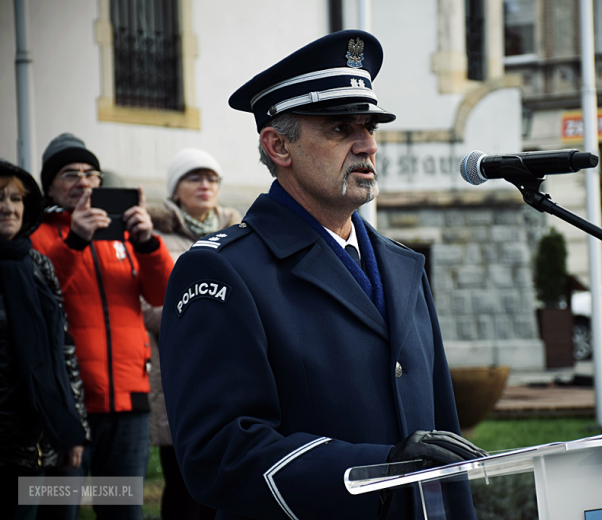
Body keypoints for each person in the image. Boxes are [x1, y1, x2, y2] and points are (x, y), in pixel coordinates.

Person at [159, 30, 486, 520]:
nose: (367, 145)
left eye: (370, 128)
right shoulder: (224, 270)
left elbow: (442, 434)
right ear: (278, 147)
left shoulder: (402, 266)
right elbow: (219, 454)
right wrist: (380, 467)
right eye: (340, 129)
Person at [31, 134, 174, 520]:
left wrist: (146, 243)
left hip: (128, 401)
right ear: (48, 186)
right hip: (68, 405)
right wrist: (76, 240)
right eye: (69, 174)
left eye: (91, 174)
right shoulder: (38, 236)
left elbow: (162, 294)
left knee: (120, 509)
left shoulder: (122, 235)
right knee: (58, 511)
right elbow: (41, 296)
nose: (83, 182)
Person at [144, 148, 241, 520]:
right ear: (174, 189)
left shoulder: (238, 233)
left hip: (230, 370)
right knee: (183, 482)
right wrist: (204, 314)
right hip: (177, 371)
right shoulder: (152, 236)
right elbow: (146, 305)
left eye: (212, 178)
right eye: (194, 178)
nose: (205, 185)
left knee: (226, 479)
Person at [0, 160, 90, 520]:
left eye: (15, 199)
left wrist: (72, 428)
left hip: (31, 439)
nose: (8, 207)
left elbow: (62, 351)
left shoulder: (37, 264)